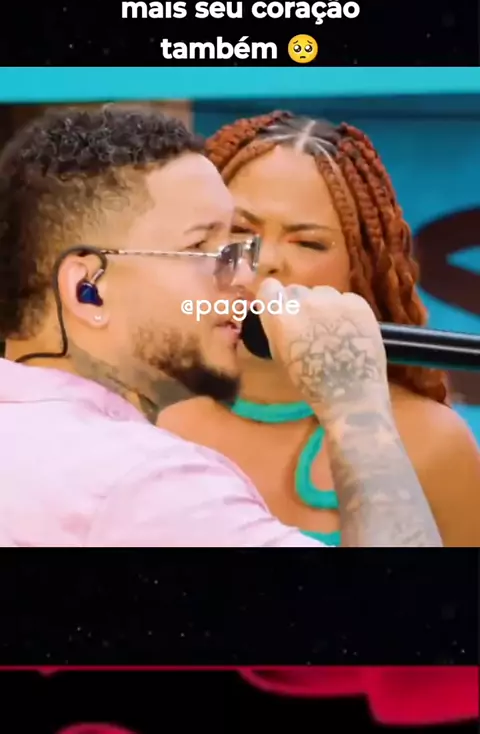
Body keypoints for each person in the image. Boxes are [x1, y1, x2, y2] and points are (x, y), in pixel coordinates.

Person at [0, 105, 442, 547]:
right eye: (200, 247)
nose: (246, 274)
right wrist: (356, 405)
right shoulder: (152, 485)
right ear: (88, 289)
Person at [158, 111, 480, 546]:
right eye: (239, 230)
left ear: (360, 268)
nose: (267, 260)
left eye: (308, 243)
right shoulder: (145, 418)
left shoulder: (432, 442)